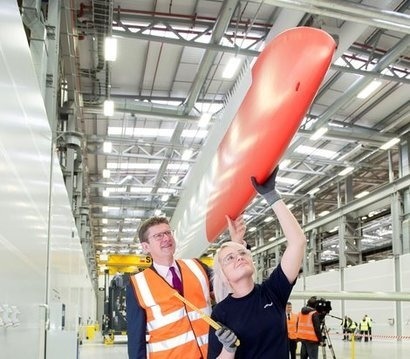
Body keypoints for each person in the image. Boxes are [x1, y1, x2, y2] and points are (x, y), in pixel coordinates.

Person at [207, 167, 306, 359]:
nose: (239, 257)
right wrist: (228, 350)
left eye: (242, 252)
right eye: (230, 258)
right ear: (223, 277)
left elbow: (298, 242)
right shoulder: (221, 313)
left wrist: (272, 196)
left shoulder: (273, 292)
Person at [126, 214, 246, 359]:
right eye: (158, 236)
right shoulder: (137, 284)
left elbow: (226, 280)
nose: (166, 238)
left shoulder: (196, 266)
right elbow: (135, 340)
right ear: (146, 247)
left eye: (168, 232)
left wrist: (236, 243)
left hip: (211, 354)